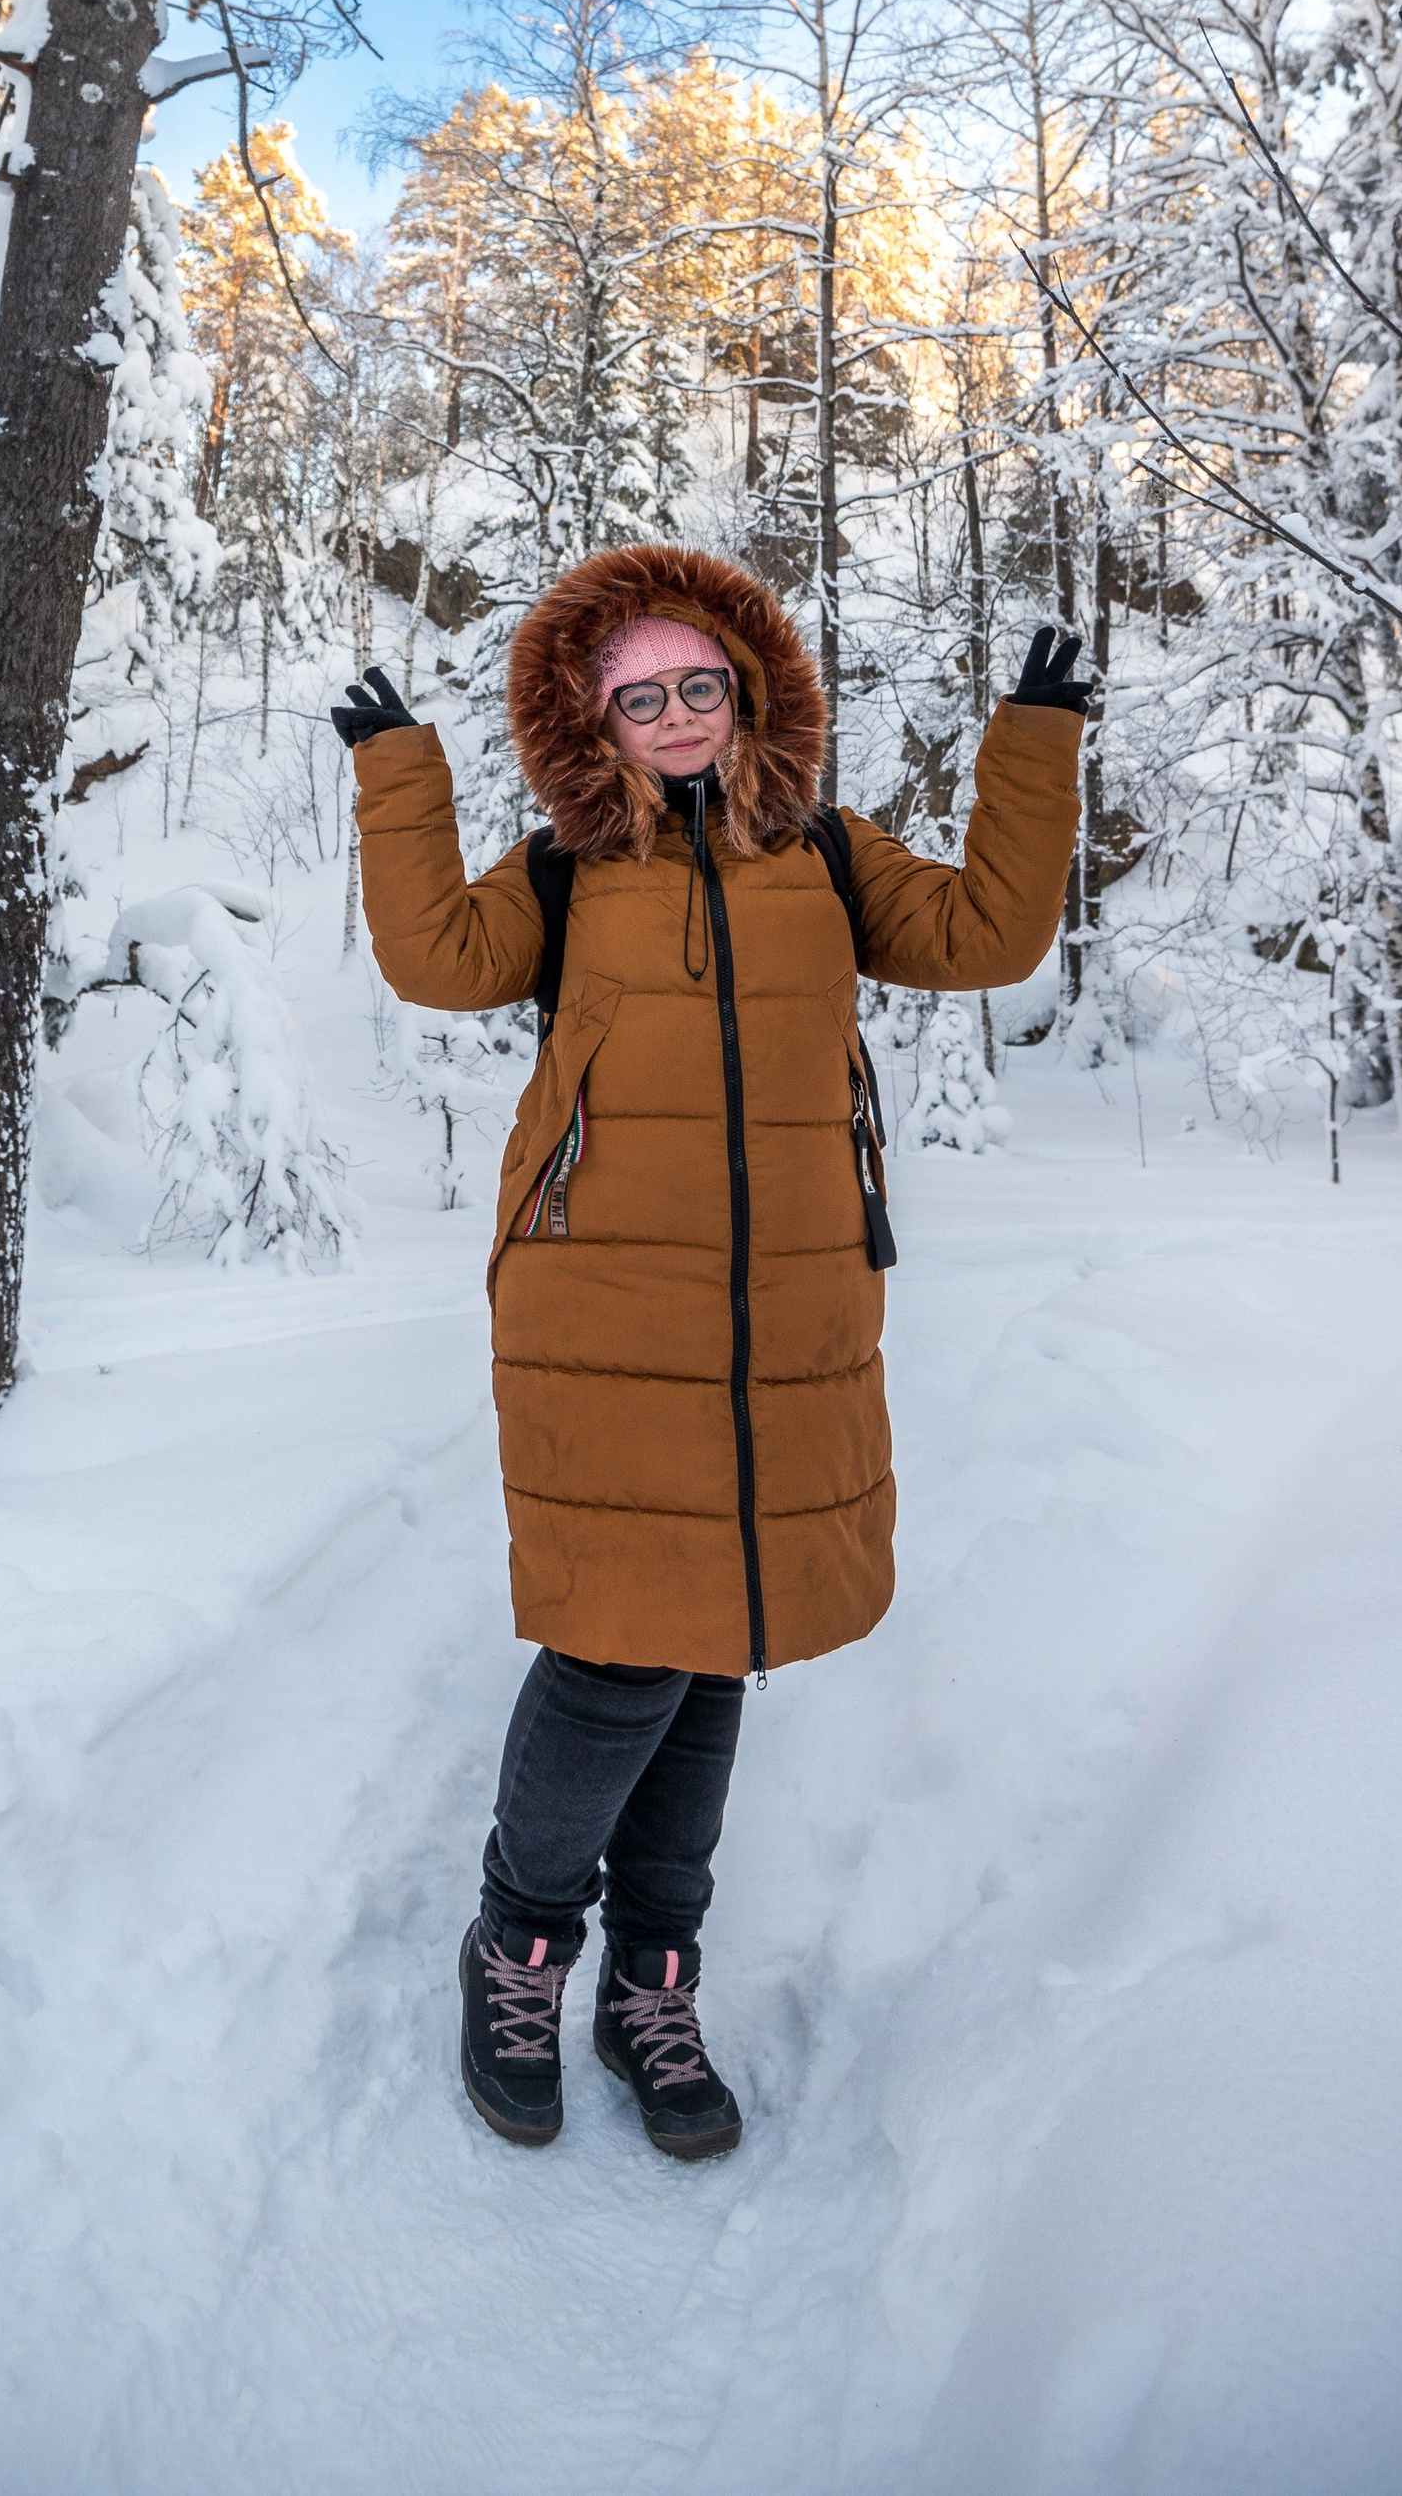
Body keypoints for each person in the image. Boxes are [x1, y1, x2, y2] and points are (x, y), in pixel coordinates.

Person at [329, 541, 1087, 2163]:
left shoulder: (827, 854)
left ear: (749, 695)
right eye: (640, 698)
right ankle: (521, 1947)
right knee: (620, 1648)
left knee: (715, 1637)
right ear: (590, 723)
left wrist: (1034, 744)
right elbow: (435, 960)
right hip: (602, 1314)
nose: (677, 715)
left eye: (700, 687)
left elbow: (989, 935)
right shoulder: (566, 874)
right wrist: (400, 776)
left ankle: (652, 1982)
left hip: (788, 1317)